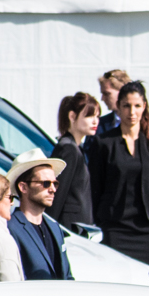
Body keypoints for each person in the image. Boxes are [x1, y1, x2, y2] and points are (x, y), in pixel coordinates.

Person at [86, 80, 149, 262]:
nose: (132, 112)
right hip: (114, 226)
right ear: (118, 107)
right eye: (126, 106)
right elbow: (95, 188)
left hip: (147, 227)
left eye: (137, 106)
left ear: (144, 106)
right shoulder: (103, 143)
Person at [4, 150, 72, 283]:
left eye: (55, 183)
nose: (52, 189)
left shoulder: (55, 227)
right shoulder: (10, 229)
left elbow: (67, 275)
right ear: (23, 187)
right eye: (45, 183)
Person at [49, 91, 99, 227]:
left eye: (97, 116)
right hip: (69, 228)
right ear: (72, 116)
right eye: (89, 116)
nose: (95, 121)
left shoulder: (76, 147)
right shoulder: (68, 149)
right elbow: (57, 194)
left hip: (77, 227)